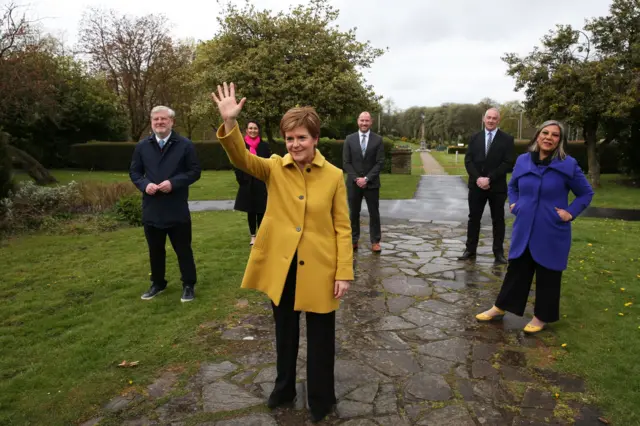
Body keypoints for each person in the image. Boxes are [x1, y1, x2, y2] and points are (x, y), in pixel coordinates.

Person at [211, 82, 353, 423]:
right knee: (284, 332)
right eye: (290, 138)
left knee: (321, 339)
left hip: (320, 268)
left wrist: (344, 271)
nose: (295, 144)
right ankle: (284, 388)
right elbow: (240, 158)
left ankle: (321, 398)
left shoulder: (334, 176)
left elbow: (343, 227)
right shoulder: (274, 167)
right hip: (283, 267)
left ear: (315, 138)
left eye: (301, 137)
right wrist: (230, 123)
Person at [475, 120, 593, 333]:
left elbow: (586, 193)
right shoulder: (522, 161)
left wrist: (570, 213)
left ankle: (541, 317)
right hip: (525, 226)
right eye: (545, 133)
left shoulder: (568, 164)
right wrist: (514, 202)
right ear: (537, 136)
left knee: (549, 273)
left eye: (555, 135)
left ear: (560, 140)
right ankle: (500, 307)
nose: (549, 138)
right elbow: (513, 186)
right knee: (517, 269)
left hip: (551, 228)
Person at [129, 106, 201, 302]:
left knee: (183, 249)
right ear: (151, 122)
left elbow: (195, 171)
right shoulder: (142, 146)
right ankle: (158, 283)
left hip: (176, 208)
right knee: (155, 250)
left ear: (172, 122)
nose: (159, 122)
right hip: (152, 208)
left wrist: (174, 183)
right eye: (156, 119)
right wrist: (145, 185)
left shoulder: (185, 145)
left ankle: (188, 284)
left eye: (163, 119)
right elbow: (134, 173)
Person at [459, 108, 516, 264]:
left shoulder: (507, 139)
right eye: (488, 117)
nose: (491, 120)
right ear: (484, 119)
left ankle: (498, 253)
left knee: (498, 220)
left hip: (496, 187)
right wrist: (478, 178)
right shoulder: (474, 137)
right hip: (476, 186)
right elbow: (468, 160)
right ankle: (470, 250)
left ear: (498, 120)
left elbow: (508, 162)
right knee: (473, 218)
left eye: (494, 118)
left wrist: (489, 179)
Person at [343, 112, 385, 252]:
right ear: (358, 121)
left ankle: (375, 241)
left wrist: (367, 178)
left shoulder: (378, 140)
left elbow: (380, 162)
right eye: (362, 120)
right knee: (353, 212)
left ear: (371, 122)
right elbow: (346, 162)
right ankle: (353, 240)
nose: (364, 123)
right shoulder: (349, 139)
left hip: (371, 184)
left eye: (367, 121)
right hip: (353, 184)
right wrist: (357, 179)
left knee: (374, 213)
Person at [233, 120, 270, 245]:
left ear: (258, 130)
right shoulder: (241, 146)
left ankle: (261, 235)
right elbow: (237, 163)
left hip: (261, 182)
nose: (253, 130)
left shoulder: (264, 146)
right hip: (247, 182)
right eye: (250, 128)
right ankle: (253, 236)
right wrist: (242, 180)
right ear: (246, 130)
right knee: (251, 210)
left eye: (255, 128)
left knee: (261, 210)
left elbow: (268, 163)